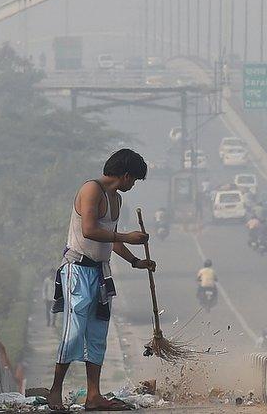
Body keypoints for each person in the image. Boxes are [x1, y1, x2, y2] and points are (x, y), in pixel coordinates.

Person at [47, 149, 155, 412]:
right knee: (74, 332)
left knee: (97, 334)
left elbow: (112, 239)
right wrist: (127, 237)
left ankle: (93, 395)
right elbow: (91, 230)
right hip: (77, 270)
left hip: (100, 272)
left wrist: (135, 261)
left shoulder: (115, 199)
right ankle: (55, 391)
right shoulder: (91, 190)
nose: (133, 185)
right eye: (134, 180)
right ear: (126, 175)